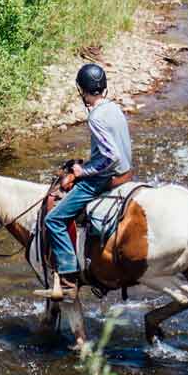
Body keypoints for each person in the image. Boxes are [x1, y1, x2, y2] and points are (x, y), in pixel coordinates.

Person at [38, 63, 131, 300]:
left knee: (54, 219)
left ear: (83, 90)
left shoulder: (96, 117)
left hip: (103, 179)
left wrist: (82, 170)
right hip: (127, 173)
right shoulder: (115, 108)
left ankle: (68, 278)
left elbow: (111, 156)